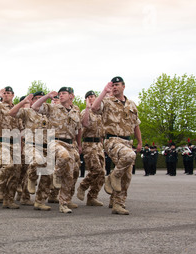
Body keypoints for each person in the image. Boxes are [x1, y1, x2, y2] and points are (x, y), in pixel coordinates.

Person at [90, 77, 142, 215]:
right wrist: (104, 91)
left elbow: (136, 125)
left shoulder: (131, 104)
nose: (114, 87)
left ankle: (118, 204)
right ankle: (112, 176)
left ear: (123, 86)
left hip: (127, 141)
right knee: (129, 156)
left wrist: (140, 142)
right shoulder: (107, 102)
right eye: (112, 85)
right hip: (112, 140)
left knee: (127, 175)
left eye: (117, 85)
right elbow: (94, 108)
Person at [31, 87, 82, 214]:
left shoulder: (76, 112)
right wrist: (47, 96)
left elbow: (78, 130)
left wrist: (79, 145)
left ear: (71, 96)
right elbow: (35, 107)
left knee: (69, 175)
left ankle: (63, 203)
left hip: (70, 144)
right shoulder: (52, 108)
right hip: (54, 142)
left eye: (64, 93)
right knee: (63, 156)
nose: (61, 96)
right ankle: (55, 177)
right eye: (59, 94)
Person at [9, 94, 53, 211]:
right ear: (33, 101)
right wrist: (23, 102)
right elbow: (12, 113)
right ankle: (31, 181)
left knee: (48, 173)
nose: (39, 100)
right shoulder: (27, 112)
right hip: (31, 145)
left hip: (46, 147)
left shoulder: (49, 113)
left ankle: (39, 201)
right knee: (35, 162)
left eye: (42, 98)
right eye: (37, 98)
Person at [76, 90, 105, 206]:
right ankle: (83, 186)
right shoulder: (85, 112)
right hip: (89, 144)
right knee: (96, 169)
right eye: (89, 97)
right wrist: (88, 108)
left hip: (99, 144)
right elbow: (84, 123)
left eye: (93, 96)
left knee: (102, 173)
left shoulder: (101, 114)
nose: (92, 98)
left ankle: (92, 197)